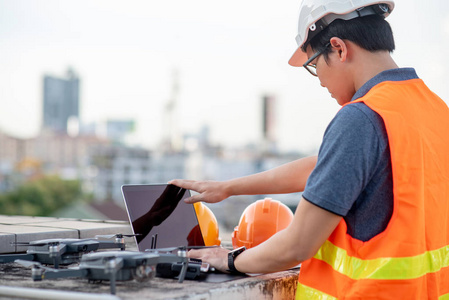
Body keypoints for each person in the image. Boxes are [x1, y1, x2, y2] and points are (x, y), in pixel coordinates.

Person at [170, 0, 449, 298]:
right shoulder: (433, 110)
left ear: (339, 48)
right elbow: (329, 168)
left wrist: (227, 259)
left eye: (314, 65)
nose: (319, 83)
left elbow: (297, 244)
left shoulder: (361, 118)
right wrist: (229, 187)